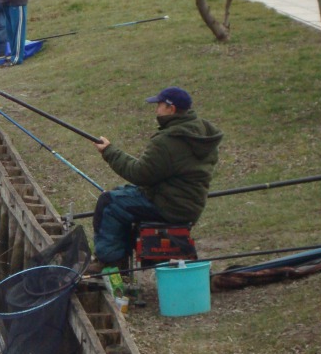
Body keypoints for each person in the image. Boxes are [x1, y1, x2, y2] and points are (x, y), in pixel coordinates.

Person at [88, 87, 223, 273]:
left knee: (108, 202)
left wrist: (109, 151)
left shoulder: (169, 140)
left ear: (171, 108)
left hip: (168, 205)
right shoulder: (201, 133)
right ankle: (118, 260)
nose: (156, 109)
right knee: (119, 194)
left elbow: (139, 174)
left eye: (159, 105)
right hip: (190, 203)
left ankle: (109, 263)